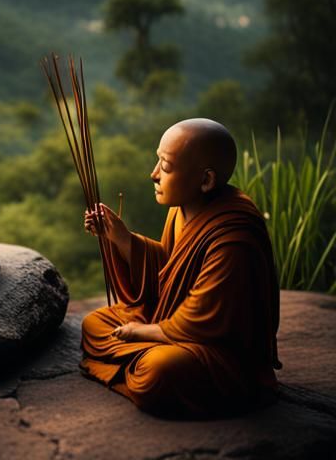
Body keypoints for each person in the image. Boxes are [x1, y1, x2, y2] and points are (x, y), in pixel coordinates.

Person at [80, 118, 280, 416]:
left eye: (166, 166)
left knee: (157, 371)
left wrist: (140, 333)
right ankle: (136, 370)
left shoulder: (233, 235)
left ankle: (135, 375)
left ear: (206, 181)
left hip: (219, 351)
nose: (154, 174)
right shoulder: (182, 208)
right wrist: (121, 238)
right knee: (93, 324)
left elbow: (203, 320)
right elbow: (170, 273)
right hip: (172, 327)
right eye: (157, 161)